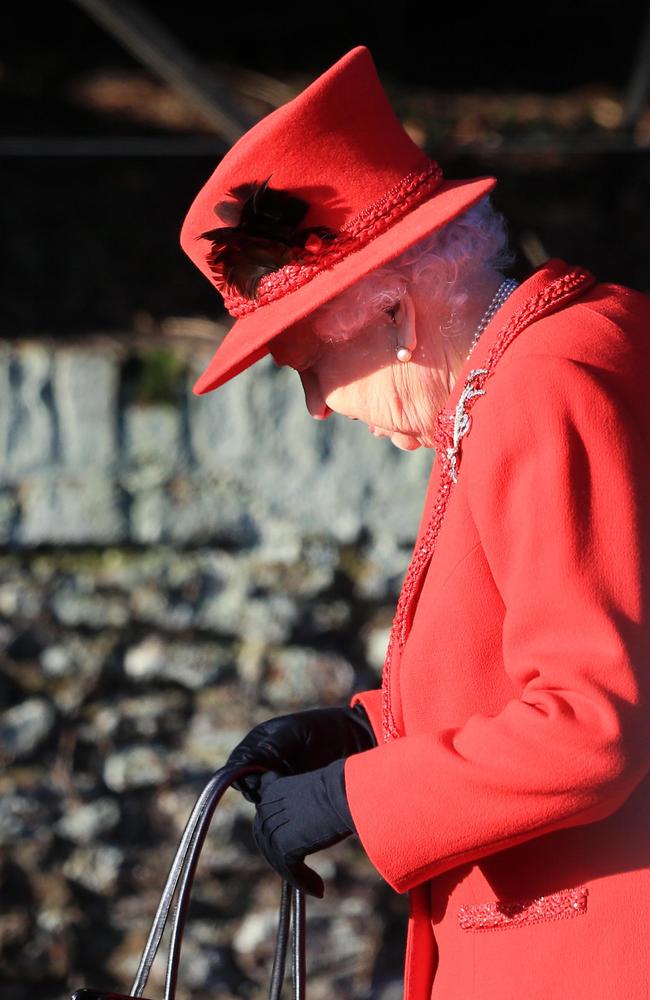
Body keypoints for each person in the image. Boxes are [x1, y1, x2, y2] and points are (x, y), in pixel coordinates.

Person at [179, 45, 650, 1000]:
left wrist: (358, 795)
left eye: (307, 362)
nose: (314, 405)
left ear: (391, 312)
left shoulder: (540, 386)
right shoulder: (587, 344)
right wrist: (369, 734)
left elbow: (591, 725)